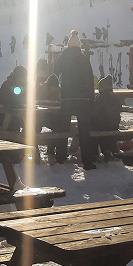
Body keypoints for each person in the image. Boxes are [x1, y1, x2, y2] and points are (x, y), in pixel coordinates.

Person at [54, 30, 97, 169]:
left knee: (63, 127)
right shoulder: (83, 57)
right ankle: (87, 161)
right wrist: (90, 95)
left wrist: (56, 88)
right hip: (82, 97)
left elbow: (54, 73)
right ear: (78, 45)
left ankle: (60, 157)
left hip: (67, 96)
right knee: (84, 130)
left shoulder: (63, 56)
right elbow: (90, 78)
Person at [93, 75, 123, 161]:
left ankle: (94, 153)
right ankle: (107, 150)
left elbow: (93, 111)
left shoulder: (101, 98)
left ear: (103, 87)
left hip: (104, 126)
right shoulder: (115, 97)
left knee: (90, 128)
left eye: (99, 87)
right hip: (114, 125)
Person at [0, 65, 28, 132]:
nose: (25, 79)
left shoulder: (23, 85)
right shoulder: (8, 85)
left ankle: (24, 139)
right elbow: (6, 101)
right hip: (5, 115)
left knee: (34, 123)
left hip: (18, 115)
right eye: (24, 77)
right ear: (18, 77)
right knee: (16, 124)